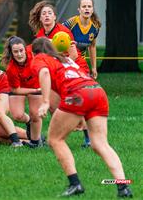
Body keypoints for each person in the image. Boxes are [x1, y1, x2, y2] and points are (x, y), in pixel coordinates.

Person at [31, 37, 132, 198]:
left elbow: (44, 73)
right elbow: (73, 83)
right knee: (100, 143)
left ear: (34, 52)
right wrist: (79, 116)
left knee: (55, 139)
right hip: (97, 91)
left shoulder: (40, 59)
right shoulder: (65, 59)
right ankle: (123, 187)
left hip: (77, 93)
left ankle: (75, 184)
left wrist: (44, 101)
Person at [29, 0, 91, 147]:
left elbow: (74, 56)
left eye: (49, 13)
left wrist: (56, 66)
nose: (46, 16)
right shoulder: (40, 35)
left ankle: (88, 137)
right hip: (58, 70)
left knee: (75, 103)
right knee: (52, 104)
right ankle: (56, 136)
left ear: (55, 17)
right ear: (40, 18)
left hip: (75, 69)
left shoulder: (62, 32)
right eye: (43, 14)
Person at [1, 36, 44, 147]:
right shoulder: (11, 68)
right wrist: (34, 91)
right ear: (11, 53)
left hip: (36, 84)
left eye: (21, 50)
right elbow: (16, 89)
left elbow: (46, 42)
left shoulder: (32, 51)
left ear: (25, 49)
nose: (19, 54)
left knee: (36, 114)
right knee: (17, 115)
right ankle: (29, 122)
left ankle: (36, 141)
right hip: (21, 88)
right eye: (15, 52)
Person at [62, 0, 101, 79]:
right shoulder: (70, 23)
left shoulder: (95, 27)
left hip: (80, 62)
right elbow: (58, 38)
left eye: (89, 6)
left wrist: (94, 68)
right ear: (79, 10)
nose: (87, 8)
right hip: (66, 60)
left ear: (92, 10)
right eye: (84, 6)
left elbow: (92, 46)